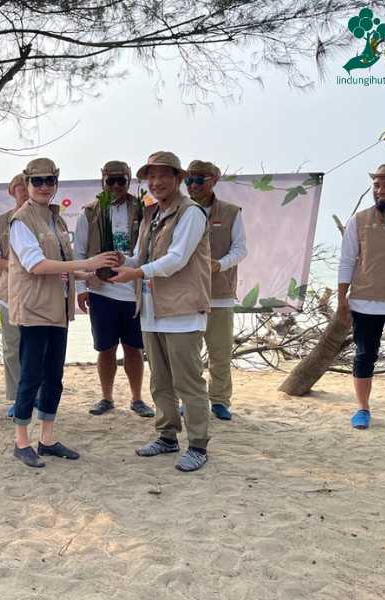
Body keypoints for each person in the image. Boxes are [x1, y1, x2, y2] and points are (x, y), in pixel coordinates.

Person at [8, 157, 120, 468]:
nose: (44, 186)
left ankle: (46, 439)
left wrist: (90, 275)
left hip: (58, 309)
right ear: (27, 184)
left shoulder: (55, 219)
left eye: (50, 181)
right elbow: (36, 265)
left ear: (57, 183)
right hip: (33, 309)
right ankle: (21, 442)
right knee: (31, 375)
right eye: (37, 181)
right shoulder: (21, 221)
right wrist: (88, 263)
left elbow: (60, 267)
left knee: (54, 375)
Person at [111, 151, 212, 472]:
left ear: (178, 178)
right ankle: (167, 436)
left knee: (189, 382)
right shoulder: (152, 215)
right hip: (151, 310)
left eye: (163, 176)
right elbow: (141, 258)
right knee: (160, 381)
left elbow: (178, 258)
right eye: (151, 177)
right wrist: (120, 261)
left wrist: (137, 273)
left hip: (182, 311)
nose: (156, 182)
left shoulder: (191, 213)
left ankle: (197, 445)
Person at [337, 163, 385, 433]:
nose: (380, 190)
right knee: (363, 356)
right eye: (377, 185)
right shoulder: (359, 220)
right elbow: (347, 260)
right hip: (365, 302)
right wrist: (341, 299)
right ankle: (362, 409)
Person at [74, 161, 154, 417]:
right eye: (112, 181)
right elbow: (79, 252)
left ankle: (137, 398)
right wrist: (80, 287)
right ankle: (107, 397)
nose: (117, 186)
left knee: (134, 347)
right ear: (103, 180)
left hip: (133, 290)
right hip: (101, 290)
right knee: (105, 347)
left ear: (129, 180)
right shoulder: (89, 212)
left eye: (123, 181)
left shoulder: (143, 210)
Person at [186, 160, 247, 421]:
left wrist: (220, 265)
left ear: (214, 180)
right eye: (188, 179)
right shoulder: (178, 210)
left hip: (219, 293)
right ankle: (189, 400)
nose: (192, 185)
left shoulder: (232, 212)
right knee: (187, 353)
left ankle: (220, 400)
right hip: (185, 295)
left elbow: (241, 249)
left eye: (199, 179)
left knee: (220, 352)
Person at [0, 174, 29, 417]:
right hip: (8, 294)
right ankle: (18, 398)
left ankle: (38, 395)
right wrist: (11, 265)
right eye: (19, 187)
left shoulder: (45, 219)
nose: (23, 191)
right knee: (12, 347)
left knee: (37, 346)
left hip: (39, 295)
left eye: (26, 186)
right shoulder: (1, 222)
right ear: (12, 192)